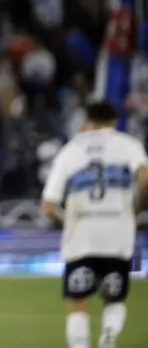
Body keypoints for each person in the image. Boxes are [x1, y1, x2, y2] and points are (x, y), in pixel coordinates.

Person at [41, 100, 148, 348]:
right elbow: (144, 176)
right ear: (114, 121)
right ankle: (108, 339)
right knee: (114, 298)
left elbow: (47, 206)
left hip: (81, 236)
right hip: (118, 234)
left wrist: (66, 220)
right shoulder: (128, 144)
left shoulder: (71, 150)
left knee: (78, 302)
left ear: (86, 120)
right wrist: (135, 207)